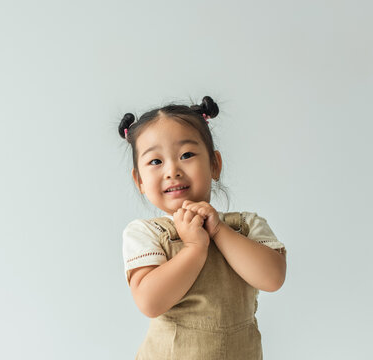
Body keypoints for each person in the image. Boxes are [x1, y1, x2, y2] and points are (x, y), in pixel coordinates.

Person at [119, 96, 287, 359]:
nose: (172, 170)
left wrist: (219, 230)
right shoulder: (146, 234)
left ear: (214, 164)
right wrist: (195, 248)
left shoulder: (245, 226)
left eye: (186, 155)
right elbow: (150, 302)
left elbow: (273, 278)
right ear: (139, 180)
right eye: (155, 162)